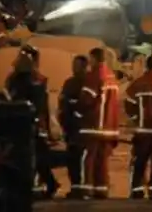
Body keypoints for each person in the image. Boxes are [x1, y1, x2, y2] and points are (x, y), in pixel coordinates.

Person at [5, 45, 58, 198]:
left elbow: (39, 104)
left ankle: (39, 184)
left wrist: (43, 126)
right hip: (25, 123)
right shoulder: (26, 80)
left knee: (35, 156)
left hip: (28, 124)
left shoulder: (33, 81)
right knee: (36, 156)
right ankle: (45, 183)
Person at [79, 47, 120, 200]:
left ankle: (87, 189)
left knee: (88, 158)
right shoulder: (111, 76)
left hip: (93, 126)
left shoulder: (94, 76)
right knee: (102, 160)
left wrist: (77, 113)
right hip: (109, 127)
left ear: (95, 59)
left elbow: (86, 100)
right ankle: (101, 189)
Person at [125, 54, 152, 199]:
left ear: (147, 66)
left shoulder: (138, 83)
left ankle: (137, 189)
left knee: (140, 161)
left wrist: (136, 118)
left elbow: (129, 103)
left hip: (143, 130)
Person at [59, 54, 89, 198]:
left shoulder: (86, 83)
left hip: (81, 127)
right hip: (71, 126)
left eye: (77, 65)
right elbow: (63, 104)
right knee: (73, 159)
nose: (74, 68)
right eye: (74, 65)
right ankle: (76, 186)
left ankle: (80, 187)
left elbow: (83, 105)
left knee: (79, 158)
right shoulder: (69, 82)